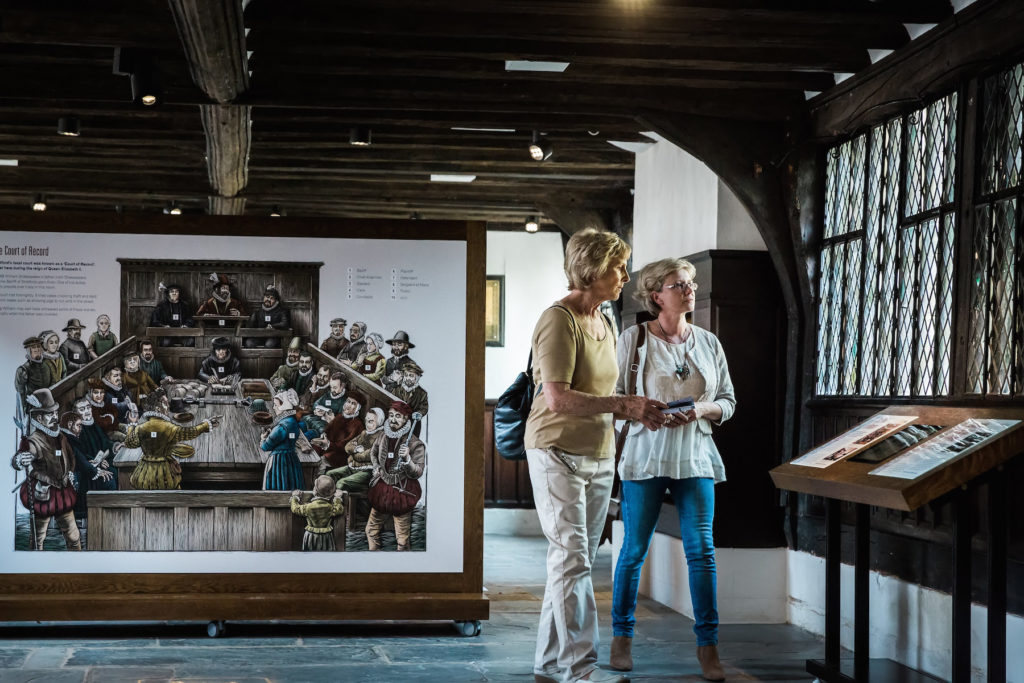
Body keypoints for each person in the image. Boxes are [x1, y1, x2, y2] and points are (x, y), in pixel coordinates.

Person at [524, 228, 666, 683]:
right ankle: (581, 670)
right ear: (592, 270)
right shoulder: (558, 320)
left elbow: (609, 393)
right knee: (572, 559)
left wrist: (640, 409)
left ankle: (550, 664)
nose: (625, 275)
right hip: (556, 451)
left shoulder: (605, 322)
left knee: (571, 562)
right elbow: (557, 400)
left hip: (600, 453)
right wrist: (624, 406)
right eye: (617, 267)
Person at [609, 258, 736, 682]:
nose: (689, 289)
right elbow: (614, 399)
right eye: (677, 284)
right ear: (656, 296)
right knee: (633, 552)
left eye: (690, 283)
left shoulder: (708, 342)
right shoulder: (634, 339)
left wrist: (701, 408)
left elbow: (729, 402)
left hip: (695, 456)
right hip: (645, 457)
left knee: (701, 552)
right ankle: (621, 638)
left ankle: (708, 648)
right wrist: (639, 412)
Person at [10, 388, 81, 550]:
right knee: (38, 539)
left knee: (74, 536)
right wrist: (21, 459)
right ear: (39, 418)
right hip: (44, 493)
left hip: (63, 491)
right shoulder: (34, 440)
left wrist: (70, 472)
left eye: (55, 413)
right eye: (50, 414)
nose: (55, 417)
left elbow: (70, 457)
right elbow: (21, 457)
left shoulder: (60, 435)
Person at [126, 390, 220, 490]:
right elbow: (189, 432)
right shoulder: (168, 427)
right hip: (164, 476)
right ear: (158, 408)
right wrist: (206, 425)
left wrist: (132, 426)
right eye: (166, 404)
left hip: (143, 475)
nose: (168, 407)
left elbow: (130, 443)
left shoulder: (140, 428)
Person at [365, 401, 425, 552]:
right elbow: (373, 452)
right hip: (382, 489)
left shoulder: (415, 444)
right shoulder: (383, 436)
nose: (393, 419)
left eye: (398, 416)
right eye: (391, 415)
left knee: (403, 540)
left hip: (402, 490)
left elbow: (417, 472)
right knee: (370, 531)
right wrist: (377, 467)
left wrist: (407, 459)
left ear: (406, 419)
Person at [326, 406, 384, 494]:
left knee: (341, 483)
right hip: (353, 467)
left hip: (367, 471)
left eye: (371, 421)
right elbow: (348, 446)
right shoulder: (364, 433)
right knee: (329, 475)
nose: (367, 424)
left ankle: (339, 505)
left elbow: (367, 455)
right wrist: (356, 449)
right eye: (366, 420)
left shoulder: (381, 437)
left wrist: (353, 453)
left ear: (379, 422)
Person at [259, 389, 305, 491]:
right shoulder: (293, 422)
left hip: (278, 460)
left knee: (277, 484)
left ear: (284, 407)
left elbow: (265, 446)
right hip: (291, 458)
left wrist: (263, 439)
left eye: (276, 405)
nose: (273, 407)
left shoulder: (281, 427)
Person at [290, 476, 346, 551]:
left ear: (315, 491)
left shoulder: (308, 507)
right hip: (326, 536)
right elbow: (339, 509)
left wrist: (295, 497)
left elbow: (295, 509)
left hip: (311, 536)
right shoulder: (330, 507)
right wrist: (338, 499)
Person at [150, 283, 195, 347]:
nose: (174, 293)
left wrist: (186, 325)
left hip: (182, 334)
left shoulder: (185, 305)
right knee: (166, 343)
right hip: (167, 334)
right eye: (172, 292)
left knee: (190, 342)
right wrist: (163, 326)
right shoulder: (161, 306)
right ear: (168, 294)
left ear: (179, 293)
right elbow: (155, 320)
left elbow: (190, 318)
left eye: (176, 291)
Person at [15, 337, 49, 412]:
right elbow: (21, 393)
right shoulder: (23, 370)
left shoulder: (46, 366)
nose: (37, 350)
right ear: (28, 351)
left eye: (38, 346)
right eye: (33, 347)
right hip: (31, 407)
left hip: (47, 405)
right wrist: (24, 410)